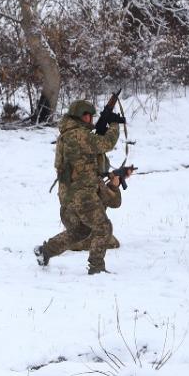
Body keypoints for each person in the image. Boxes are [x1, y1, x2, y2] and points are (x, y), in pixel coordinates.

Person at [34, 100, 123, 275]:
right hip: (83, 193)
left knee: (80, 231)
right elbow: (107, 143)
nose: (91, 120)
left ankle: (45, 251)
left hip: (69, 194)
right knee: (103, 228)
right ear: (82, 116)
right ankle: (96, 267)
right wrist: (114, 124)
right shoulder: (79, 135)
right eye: (89, 116)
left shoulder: (67, 135)